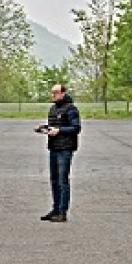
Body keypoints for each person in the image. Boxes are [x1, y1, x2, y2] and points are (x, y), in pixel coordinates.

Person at [35, 83, 81, 222]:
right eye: (52, 92)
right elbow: (55, 126)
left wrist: (59, 131)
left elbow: (76, 128)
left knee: (62, 180)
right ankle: (55, 209)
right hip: (54, 147)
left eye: (56, 92)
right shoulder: (53, 109)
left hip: (65, 149)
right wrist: (44, 128)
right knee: (54, 180)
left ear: (63, 93)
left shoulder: (71, 109)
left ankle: (62, 211)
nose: (53, 95)